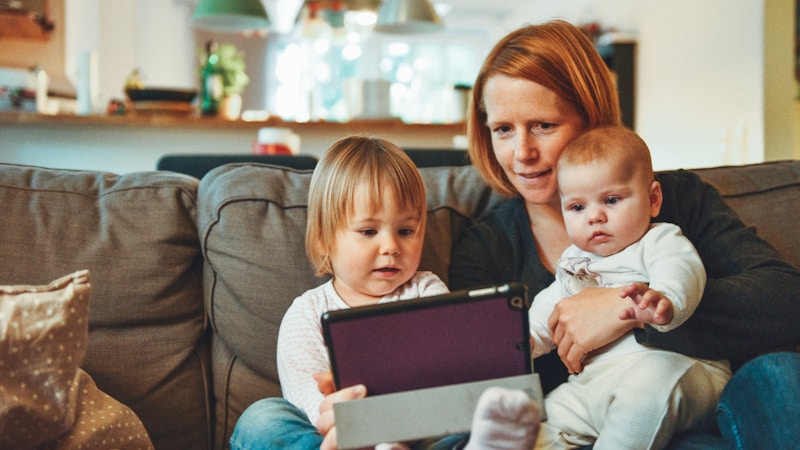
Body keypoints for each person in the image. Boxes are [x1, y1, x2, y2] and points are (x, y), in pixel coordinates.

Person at [449, 19, 800, 448]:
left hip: (694, 412)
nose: (522, 153)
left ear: (590, 118)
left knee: (781, 373)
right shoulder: (485, 246)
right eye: (503, 129)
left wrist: (624, 311)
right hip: (571, 428)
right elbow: (479, 376)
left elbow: (785, 301)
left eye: (543, 125)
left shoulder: (676, 200)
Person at [230, 135, 540, 450]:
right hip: (336, 437)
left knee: (473, 419)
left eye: (406, 231)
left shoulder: (426, 291)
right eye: (368, 232)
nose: (391, 247)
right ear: (324, 238)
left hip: (421, 433)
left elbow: (447, 381)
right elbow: (308, 404)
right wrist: (354, 428)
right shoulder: (306, 313)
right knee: (263, 418)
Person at [527, 125, 730, 449]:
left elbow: (681, 268)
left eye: (611, 200)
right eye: (577, 207)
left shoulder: (658, 239)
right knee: (540, 423)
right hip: (593, 383)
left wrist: (666, 298)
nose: (594, 216)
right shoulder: (574, 261)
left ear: (652, 200)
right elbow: (550, 305)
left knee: (645, 393)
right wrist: (525, 341)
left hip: (675, 369)